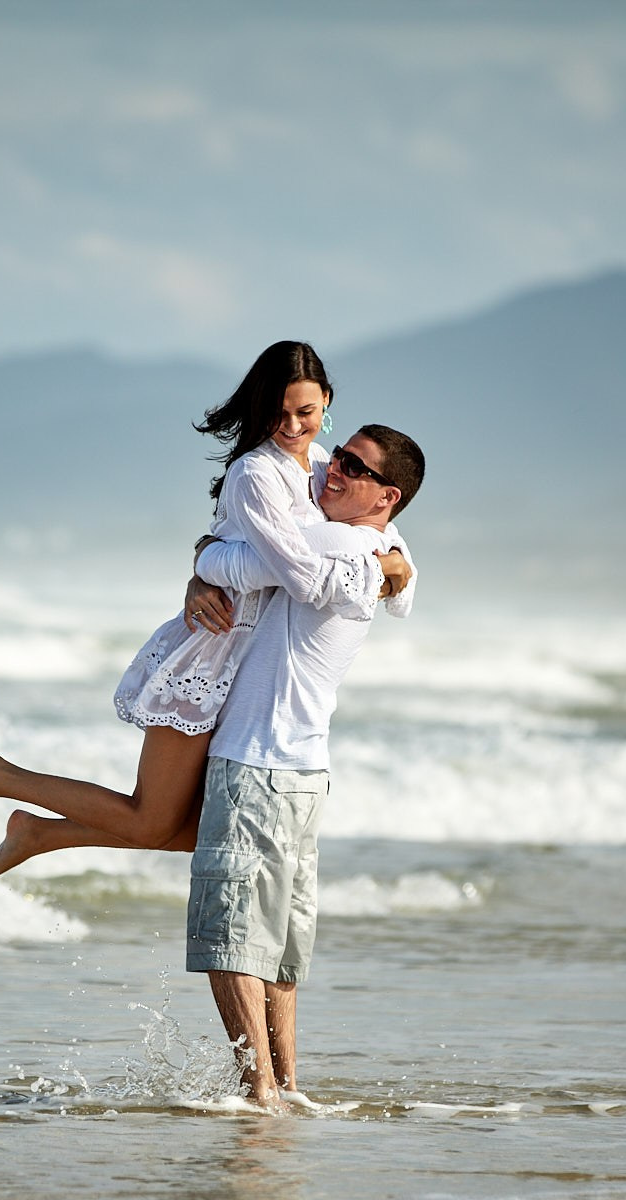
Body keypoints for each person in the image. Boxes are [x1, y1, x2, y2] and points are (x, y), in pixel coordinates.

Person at [0, 341, 410, 885]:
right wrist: (211, 564)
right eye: (279, 411)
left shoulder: (326, 466)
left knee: (201, 828)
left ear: (327, 403)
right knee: (153, 820)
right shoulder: (255, 472)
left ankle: (40, 834)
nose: (292, 426)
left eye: (306, 411)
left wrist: (395, 562)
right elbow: (297, 571)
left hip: (252, 669)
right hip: (213, 650)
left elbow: (372, 531)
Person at [183, 424, 426, 1112]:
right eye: (338, 456)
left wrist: (202, 558)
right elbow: (402, 580)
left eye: (354, 466)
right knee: (281, 947)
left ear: (387, 496)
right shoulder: (380, 546)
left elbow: (239, 560)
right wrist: (398, 565)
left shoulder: (333, 541)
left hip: (256, 763)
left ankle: (258, 1092)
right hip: (305, 771)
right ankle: (285, 1089)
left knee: (233, 940)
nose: (334, 469)